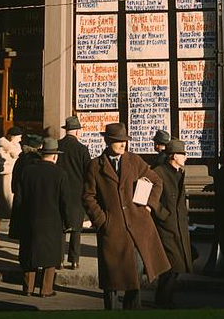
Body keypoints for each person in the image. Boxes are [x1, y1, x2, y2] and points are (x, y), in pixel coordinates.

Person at [82, 122, 170, 310]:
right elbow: (88, 196)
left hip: (136, 228)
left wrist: (148, 205)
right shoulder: (95, 166)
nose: (123, 144)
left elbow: (157, 182)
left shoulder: (134, 161)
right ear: (107, 141)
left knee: (135, 279)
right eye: (118, 141)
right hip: (112, 229)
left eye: (125, 141)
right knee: (111, 280)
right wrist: (102, 220)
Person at [10, 137, 71, 297]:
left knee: (29, 254)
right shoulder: (60, 174)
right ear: (55, 156)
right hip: (52, 221)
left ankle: (28, 288)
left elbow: (18, 198)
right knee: (50, 256)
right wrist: (69, 222)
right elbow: (65, 201)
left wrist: (16, 220)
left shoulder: (27, 171)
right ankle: (46, 289)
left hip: (29, 218)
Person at [152, 138, 193, 309]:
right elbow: (150, 198)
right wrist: (164, 215)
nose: (186, 157)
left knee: (175, 266)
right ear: (173, 156)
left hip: (179, 226)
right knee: (171, 266)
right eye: (183, 154)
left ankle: (165, 299)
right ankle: (163, 301)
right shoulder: (159, 173)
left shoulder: (179, 172)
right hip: (166, 227)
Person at [57, 115, 91, 269]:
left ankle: (59, 259)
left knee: (61, 226)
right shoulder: (82, 149)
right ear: (77, 132)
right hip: (77, 191)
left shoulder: (57, 146)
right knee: (76, 227)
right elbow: (88, 172)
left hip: (59, 189)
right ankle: (74, 259)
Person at [0, 126, 23, 248]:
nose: (21, 138)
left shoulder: (16, 148)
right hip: (7, 180)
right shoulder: (2, 150)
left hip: (13, 179)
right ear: (13, 137)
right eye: (19, 136)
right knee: (6, 208)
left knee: (5, 210)